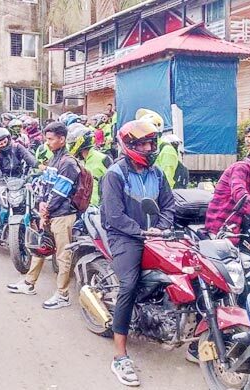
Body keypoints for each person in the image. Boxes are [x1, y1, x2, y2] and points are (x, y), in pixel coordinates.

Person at [100, 120, 175, 386]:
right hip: (124, 236)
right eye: (142, 144)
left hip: (154, 234)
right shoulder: (115, 174)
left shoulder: (156, 173)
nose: (148, 148)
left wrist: (162, 227)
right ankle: (120, 355)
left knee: (183, 272)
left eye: (151, 143)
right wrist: (142, 232)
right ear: (129, 146)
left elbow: (168, 204)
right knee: (129, 285)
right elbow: (114, 215)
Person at [6, 121, 80, 310]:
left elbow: (60, 192)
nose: (47, 143)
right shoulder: (54, 159)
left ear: (62, 140)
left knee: (63, 256)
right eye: (46, 139)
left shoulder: (68, 163)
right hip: (50, 214)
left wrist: (46, 209)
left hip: (63, 216)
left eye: (51, 139)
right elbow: (46, 185)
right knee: (40, 248)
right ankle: (29, 283)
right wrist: (41, 205)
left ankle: (63, 295)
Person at [66, 124, 111, 205]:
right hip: (82, 208)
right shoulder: (76, 161)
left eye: (72, 142)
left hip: (98, 209)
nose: (70, 145)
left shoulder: (102, 159)